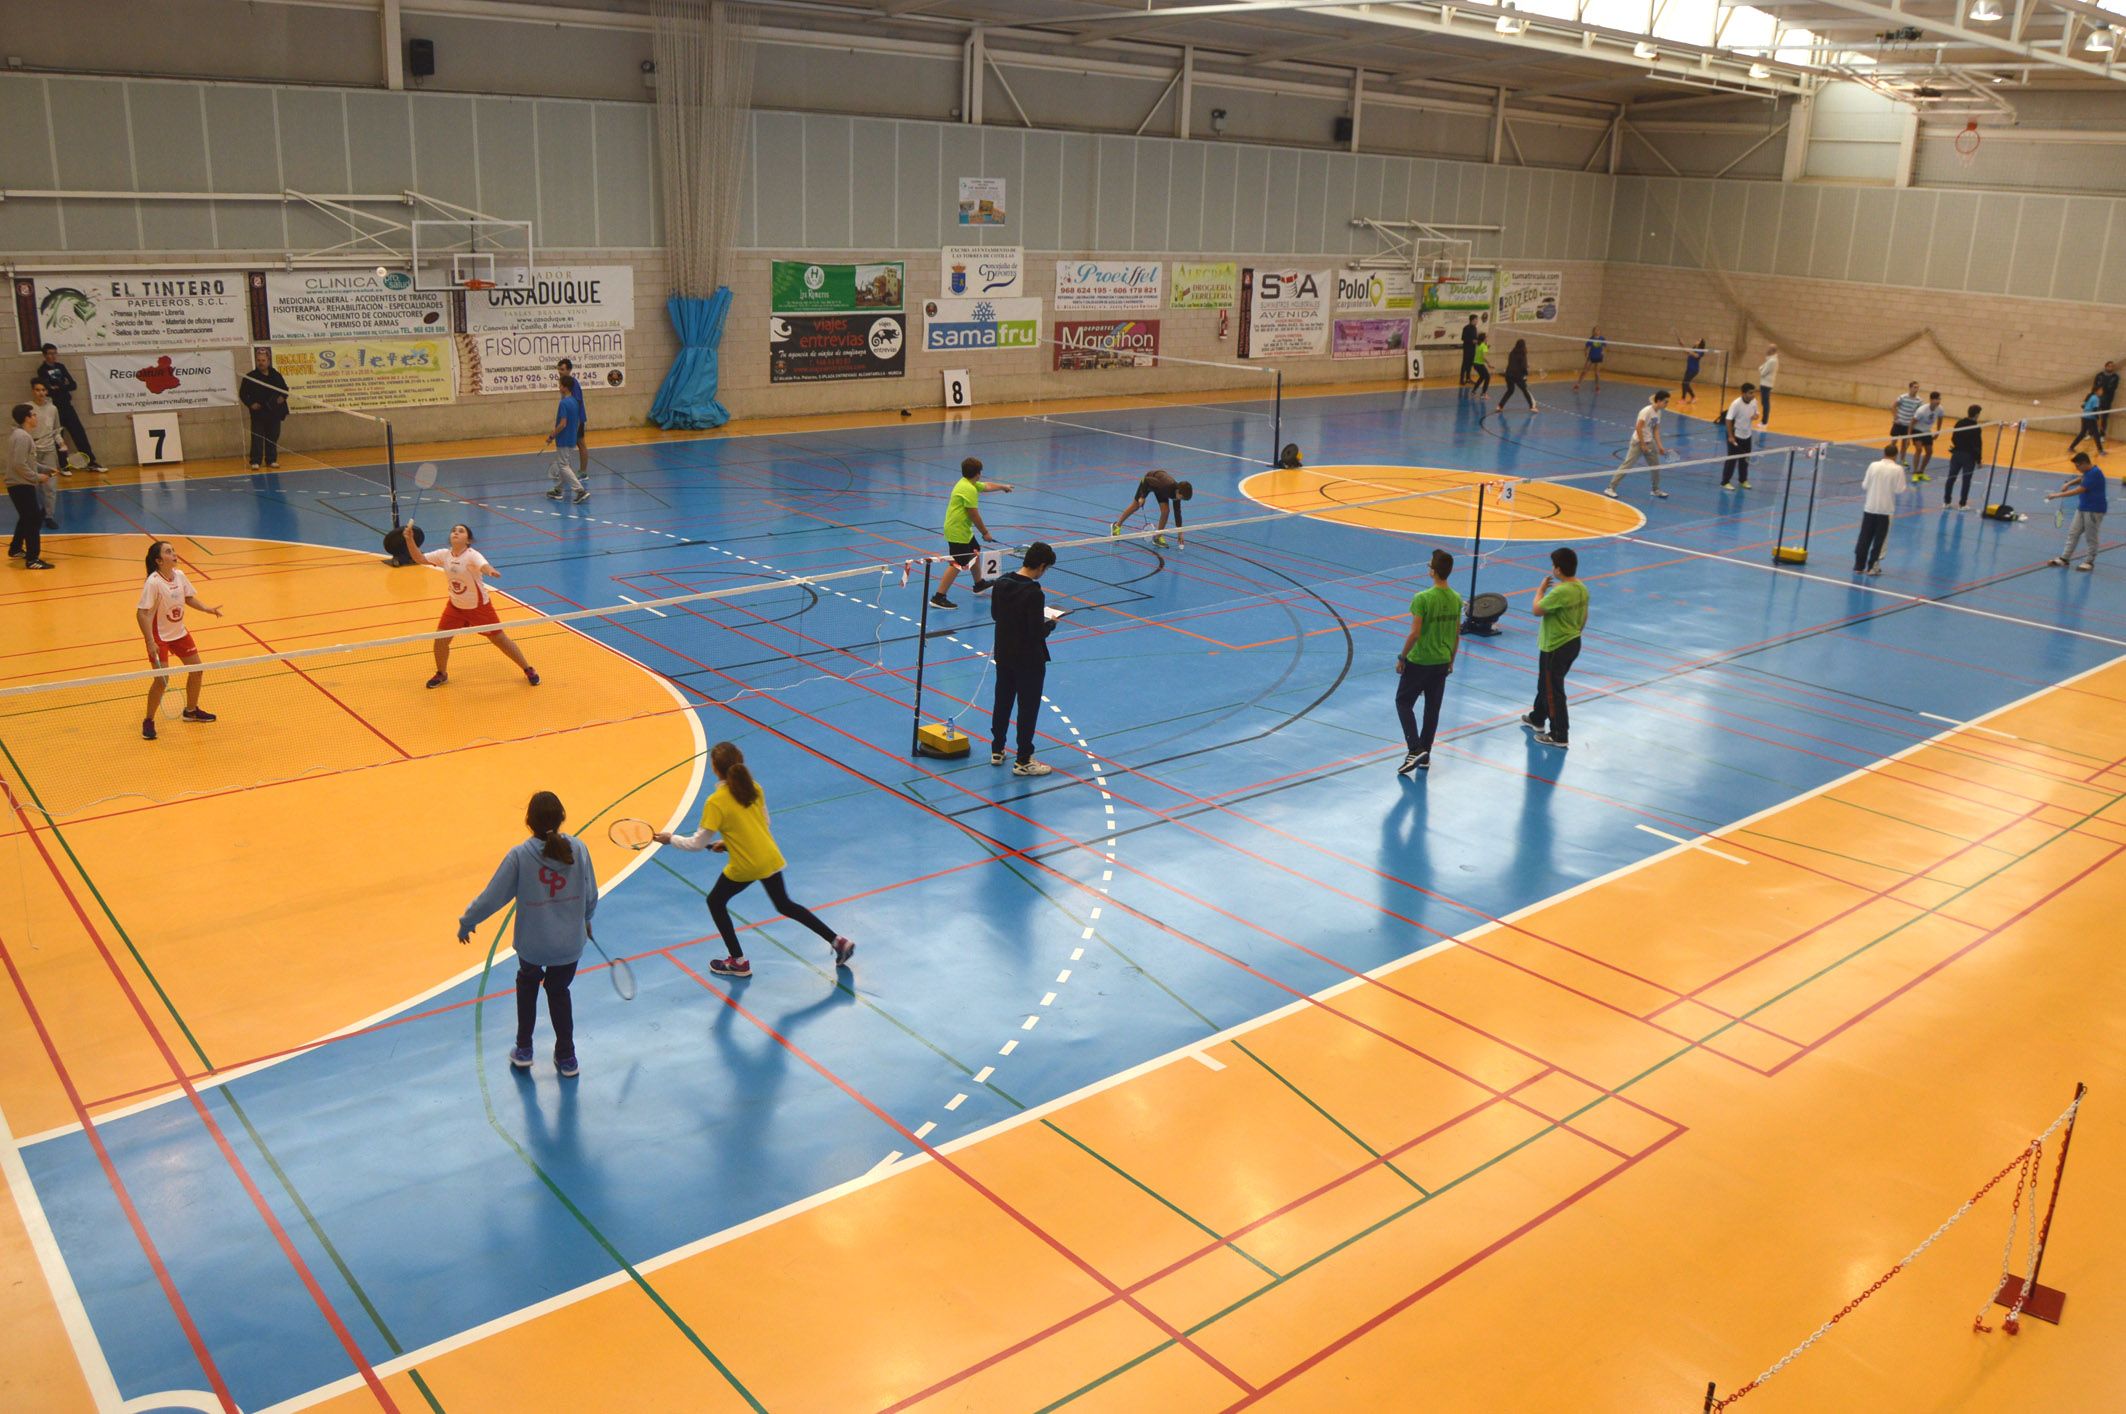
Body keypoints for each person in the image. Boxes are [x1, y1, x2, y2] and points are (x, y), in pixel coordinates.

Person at [653, 742, 853, 978]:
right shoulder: (754, 788)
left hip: (746, 865)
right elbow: (763, 824)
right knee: (785, 904)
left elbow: (696, 844)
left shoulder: (715, 802)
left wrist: (670, 839)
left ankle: (738, 961)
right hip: (769, 856)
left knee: (715, 902)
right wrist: (727, 843)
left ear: (715, 769)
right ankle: (837, 941)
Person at [455, 791, 596, 1076]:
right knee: (558, 991)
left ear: (528, 821)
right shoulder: (578, 849)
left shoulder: (520, 856)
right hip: (569, 945)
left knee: (528, 984)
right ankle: (567, 1056)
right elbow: (591, 893)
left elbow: (492, 897)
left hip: (533, 944)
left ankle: (523, 1049)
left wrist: (468, 920)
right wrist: (586, 919)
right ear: (562, 818)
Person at [403, 518, 540, 689]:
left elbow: (483, 565)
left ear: (467, 540)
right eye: (454, 530)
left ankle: (528, 669)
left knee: (500, 639)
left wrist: (490, 571)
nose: (456, 532)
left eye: (461, 531)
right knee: (440, 641)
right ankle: (441, 674)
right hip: (455, 607)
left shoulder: (472, 555)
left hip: (479, 607)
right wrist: (409, 540)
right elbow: (419, 558)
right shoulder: (443, 555)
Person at [136, 539, 224, 738]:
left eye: (173, 550)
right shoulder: (154, 582)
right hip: (159, 636)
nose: (174, 553)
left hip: (179, 633)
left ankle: (191, 711)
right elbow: (141, 614)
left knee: (197, 670)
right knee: (161, 680)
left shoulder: (180, 576)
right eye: (169, 551)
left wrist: (208, 609)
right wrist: (150, 641)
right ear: (159, 560)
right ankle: (148, 720)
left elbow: (188, 597)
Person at [989, 541, 1060, 776]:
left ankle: (997, 749)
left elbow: (995, 615)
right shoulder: (1033, 592)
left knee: (1003, 701)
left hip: (1004, 654)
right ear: (1041, 565)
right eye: (1045, 568)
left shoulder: (1001, 583)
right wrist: (1050, 624)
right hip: (1028, 660)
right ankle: (1023, 760)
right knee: (1027, 708)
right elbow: (1035, 632)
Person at [1394, 547, 1460, 774]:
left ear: (1433, 571)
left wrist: (1403, 657)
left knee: (1403, 702)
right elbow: (1455, 634)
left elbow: (1415, 633)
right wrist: (1451, 659)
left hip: (1420, 660)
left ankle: (1414, 749)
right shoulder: (1456, 599)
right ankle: (1426, 754)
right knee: (1432, 709)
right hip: (1442, 661)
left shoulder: (1422, 598)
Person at [1522, 547, 1587, 750]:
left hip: (1555, 646)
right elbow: (1584, 617)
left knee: (1553, 689)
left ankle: (1560, 733)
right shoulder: (1581, 588)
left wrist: (1540, 590)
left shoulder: (1560, 591)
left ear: (1558, 570)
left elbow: (1537, 609)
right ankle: (1537, 717)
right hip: (1573, 642)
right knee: (1546, 684)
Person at [931, 456, 1013, 610]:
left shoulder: (967, 483)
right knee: (958, 563)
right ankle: (938, 597)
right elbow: (973, 515)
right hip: (957, 531)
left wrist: (1002, 487)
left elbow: (986, 486)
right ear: (978, 473)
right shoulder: (968, 489)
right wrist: (985, 533)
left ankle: (979, 584)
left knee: (974, 552)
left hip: (964, 530)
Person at [32, 344, 103, 471]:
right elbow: (48, 390)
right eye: (50, 353)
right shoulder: (42, 370)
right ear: (44, 355)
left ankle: (91, 461)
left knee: (79, 433)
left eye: (55, 353)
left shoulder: (61, 367)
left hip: (67, 406)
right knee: (59, 436)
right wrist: (59, 387)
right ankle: (64, 465)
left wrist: (59, 387)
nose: (53, 356)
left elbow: (73, 385)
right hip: (54, 407)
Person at [6, 404, 54, 570]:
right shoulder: (23, 437)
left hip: (19, 484)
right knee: (33, 520)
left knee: (26, 517)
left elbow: (28, 461)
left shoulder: (20, 435)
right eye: (33, 415)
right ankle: (33, 559)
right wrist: (37, 477)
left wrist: (44, 469)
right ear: (27, 418)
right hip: (20, 485)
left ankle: (15, 548)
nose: (36, 417)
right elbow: (19, 464)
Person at [2046, 452, 2107, 572]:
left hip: (2094, 510)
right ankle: (2064, 558)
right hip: (2082, 507)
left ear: (2084, 463)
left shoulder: (2095, 473)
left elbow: (2080, 489)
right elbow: (2082, 479)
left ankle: (2089, 562)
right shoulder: (2088, 472)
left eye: (2078, 465)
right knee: (2073, 533)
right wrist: (2068, 483)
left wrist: (2057, 495)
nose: (2076, 468)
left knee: (2091, 537)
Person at [1608, 389, 1672, 499]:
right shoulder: (1646, 411)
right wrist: (1642, 445)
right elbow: (1638, 428)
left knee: (1656, 466)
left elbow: (1656, 430)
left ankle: (1655, 490)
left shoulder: (1659, 413)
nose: (1667, 404)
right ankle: (1610, 488)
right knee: (1627, 465)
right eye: (1666, 401)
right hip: (1638, 442)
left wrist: (1660, 446)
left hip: (1649, 442)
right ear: (1659, 401)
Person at [26, 377, 71, 532]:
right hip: (32, 452)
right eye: (38, 390)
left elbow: (56, 431)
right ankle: (35, 514)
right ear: (33, 391)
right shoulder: (27, 409)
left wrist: (61, 443)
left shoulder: (53, 408)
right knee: (33, 485)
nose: (41, 393)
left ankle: (49, 516)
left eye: (43, 390)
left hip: (49, 452)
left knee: (50, 486)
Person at [1854, 445, 1904, 577]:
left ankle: (1859, 566)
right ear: (1896, 455)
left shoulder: (1873, 465)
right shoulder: (1898, 469)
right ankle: (1872, 567)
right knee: (1879, 540)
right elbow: (1899, 489)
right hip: (1885, 510)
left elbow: (1864, 485)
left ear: (1884, 453)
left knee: (1864, 537)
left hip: (1869, 507)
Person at [1109, 469, 1192, 548]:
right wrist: (1142, 496)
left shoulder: (1176, 495)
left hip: (1160, 489)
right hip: (1148, 482)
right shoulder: (1165, 486)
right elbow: (1146, 480)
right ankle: (1116, 525)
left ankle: (1157, 537)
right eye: (1182, 498)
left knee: (1165, 511)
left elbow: (1177, 513)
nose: (1181, 500)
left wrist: (1180, 532)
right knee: (1136, 505)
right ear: (1178, 491)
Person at [543, 369, 589, 504]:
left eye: (560, 385)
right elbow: (578, 421)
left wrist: (552, 435)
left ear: (565, 387)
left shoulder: (563, 403)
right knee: (563, 464)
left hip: (563, 439)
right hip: (572, 438)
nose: (559, 387)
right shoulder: (575, 401)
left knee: (563, 466)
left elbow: (563, 423)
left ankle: (580, 491)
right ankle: (558, 490)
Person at [239, 348, 290, 470]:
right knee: (257, 437)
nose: (261, 362)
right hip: (259, 413)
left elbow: (285, 390)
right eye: (258, 360)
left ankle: (271, 460)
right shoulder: (250, 377)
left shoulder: (276, 375)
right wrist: (251, 404)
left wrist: (282, 397)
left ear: (268, 361)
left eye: (263, 360)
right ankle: (255, 461)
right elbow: (243, 394)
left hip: (274, 412)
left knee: (273, 436)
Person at [1720, 383, 1759, 489]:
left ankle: (1743, 480)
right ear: (1743, 393)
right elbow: (1728, 420)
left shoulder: (1754, 401)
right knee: (1732, 459)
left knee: (1745, 459)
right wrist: (1730, 436)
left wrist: (1755, 416)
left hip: (1747, 435)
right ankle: (1725, 481)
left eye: (1753, 392)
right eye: (1750, 393)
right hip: (1735, 435)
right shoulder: (1736, 404)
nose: (1752, 395)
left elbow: (1756, 414)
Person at [1944, 404, 1984, 510]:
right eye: (1979, 413)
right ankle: (1962, 504)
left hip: (1956, 455)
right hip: (1968, 457)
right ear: (1976, 414)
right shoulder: (1976, 427)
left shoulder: (1959, 423)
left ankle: (1946, 502)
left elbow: (1953, 438)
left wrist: (1958, 446)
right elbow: (1978, 445)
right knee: (1966, 480)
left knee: (1951, 478)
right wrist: (1979, 460)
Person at [557, 358, 589, 484]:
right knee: (570, 443)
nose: (560, 372)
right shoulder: (565, 383)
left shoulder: (573, 384)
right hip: (571, 419)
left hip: (577, 418)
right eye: (559, 369)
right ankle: (566, 470)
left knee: (580, 443)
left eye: (563, 369)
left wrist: (574, 421)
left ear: (569, 370)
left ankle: (583, 472)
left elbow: (577, 402)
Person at [1906, 390, 1945, 481]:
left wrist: (1938, 432)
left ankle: (1921, 472)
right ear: (1931, 400)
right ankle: (1915, 472)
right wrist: (1908, 437)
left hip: (1927, 431)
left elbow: (1940, 419)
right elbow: (1912, 423)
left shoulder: (1940, 409)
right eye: (1936, 399)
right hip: (1917, 430)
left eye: (1939, 399)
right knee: (1919, 449)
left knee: (1929, 452)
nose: (1938, 401)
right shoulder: (1922, 410)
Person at [1495, 339, 1538, 413]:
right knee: (1525, 390)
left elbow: (1514, 364)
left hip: (1508, 375)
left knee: (1510, 390)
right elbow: (1523, 366)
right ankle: (1532, 407)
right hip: (1517, 376)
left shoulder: (1512, 352)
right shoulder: (1523, 353)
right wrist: (1526, 373)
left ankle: (1500, 406)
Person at [2068, 380, 2107, 456]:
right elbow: (2095, 410)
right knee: (2096, 434)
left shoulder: (2090, 396)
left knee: (2082, 434)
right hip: (2090, 418)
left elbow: (2083, 406)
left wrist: (2088, 407)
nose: (2102, 391)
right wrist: (2098, 419)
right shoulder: (2096, 398)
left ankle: (2071, 447)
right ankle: (2101, 451)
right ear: (2097, 391)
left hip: (2084, 417)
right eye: (2101, 390)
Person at [1890, 381, 1923, 467]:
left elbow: (1919, 413)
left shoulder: (1919, 400)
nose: (1916, 389)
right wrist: (1895, 416)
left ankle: (1902, 460)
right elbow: (1893, 406)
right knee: (1894, 442)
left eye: (1917, 387)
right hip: (1898, 423)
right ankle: (1890, 458)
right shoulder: (1902, 397)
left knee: (1905, 444)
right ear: (1910, 388)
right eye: (1915, 387)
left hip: (1908, 426)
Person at [1756, 345, 1779, 426]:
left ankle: (1764, 421)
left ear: (1772, 350)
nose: (1767, 350)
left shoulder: (1772, 361)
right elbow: (1761, 368)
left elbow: (1762, 372)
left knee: (1765, 403)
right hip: (1765, 383)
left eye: (1769, 348)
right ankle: (1764, 421)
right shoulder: (1770, 360)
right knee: (1764, 402)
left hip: (1766, 384)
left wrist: (1761, 369)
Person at [2095, 360, 2119, 439]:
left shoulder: (2115, 377)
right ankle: (2092, 433)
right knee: (2094, 416)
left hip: (2107, 400)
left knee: (2104, 418)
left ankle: (2102, 435)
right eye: (2109, 366)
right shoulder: (2099, 375)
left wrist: (2103, 388)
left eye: (2112, 366)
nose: (2110, 367)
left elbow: (2112, 388)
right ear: (2105, 366)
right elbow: (2095, 386)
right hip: (2097, 399)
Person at [1680, 339, 1706, 408]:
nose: (1696, 340)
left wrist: (1689, 351)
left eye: (1698, 340)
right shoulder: (1694, 348)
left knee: (1685, 383)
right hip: (1688, 369)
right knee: (1685, 383)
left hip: (1694, 370)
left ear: (1701, 343)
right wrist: (1682, 346)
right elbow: (1686, 352)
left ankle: (1683, 399)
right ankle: (1693, 397)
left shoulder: (1701, 351)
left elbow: (1696, 355)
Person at [1458, 315, 1480, 388]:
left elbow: (1475, 338)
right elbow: (1463, 338)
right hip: (1467, 349)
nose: (1477, 321)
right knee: (1465, 364)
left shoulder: (1475, 328)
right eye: (1476, 319)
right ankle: (1461, 379)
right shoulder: (1466, 328)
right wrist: (1471, 341)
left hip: (1473, 349)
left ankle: (1468, 378)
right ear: (1472, 320)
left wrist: (1480, 340)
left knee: (1470, 364)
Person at [1469, 331, 1491, 397]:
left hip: (1475, 364)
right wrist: (1488, 363)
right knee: (1487, 377)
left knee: (1482, 377)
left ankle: (1473, 391)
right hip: (1479, 364)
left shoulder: (1479, 344)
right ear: (1484, 339)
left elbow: (1481, 350)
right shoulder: (1483, 345)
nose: (1487, 338)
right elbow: (1483, 356)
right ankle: (1483, 393)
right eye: (1486, 337)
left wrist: (1487, 347)